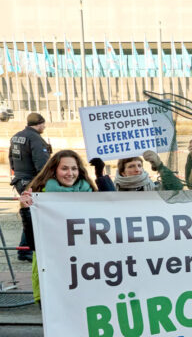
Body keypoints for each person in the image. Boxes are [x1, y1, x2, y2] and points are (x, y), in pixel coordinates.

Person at [18, 150, 113, 303]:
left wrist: (100, 175)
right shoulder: (39, 197)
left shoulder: (89, 195)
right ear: (54, 171)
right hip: (54, 275)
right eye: (64, 168)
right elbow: (34, 243)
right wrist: (26, 210)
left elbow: (114, 210)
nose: (70, 173)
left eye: (74, 168)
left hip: (87, 273)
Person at [8, 112, 51, 261]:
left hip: (19, 180)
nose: (44, 126)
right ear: (39, 123)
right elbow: (43, 165)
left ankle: (24, 250)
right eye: (43, 124)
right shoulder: (35, 139)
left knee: (30, 213)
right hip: (32, 181)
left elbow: (11, 160)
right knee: (33, 215)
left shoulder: (16, 136)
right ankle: (25, 251)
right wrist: (45, 182)